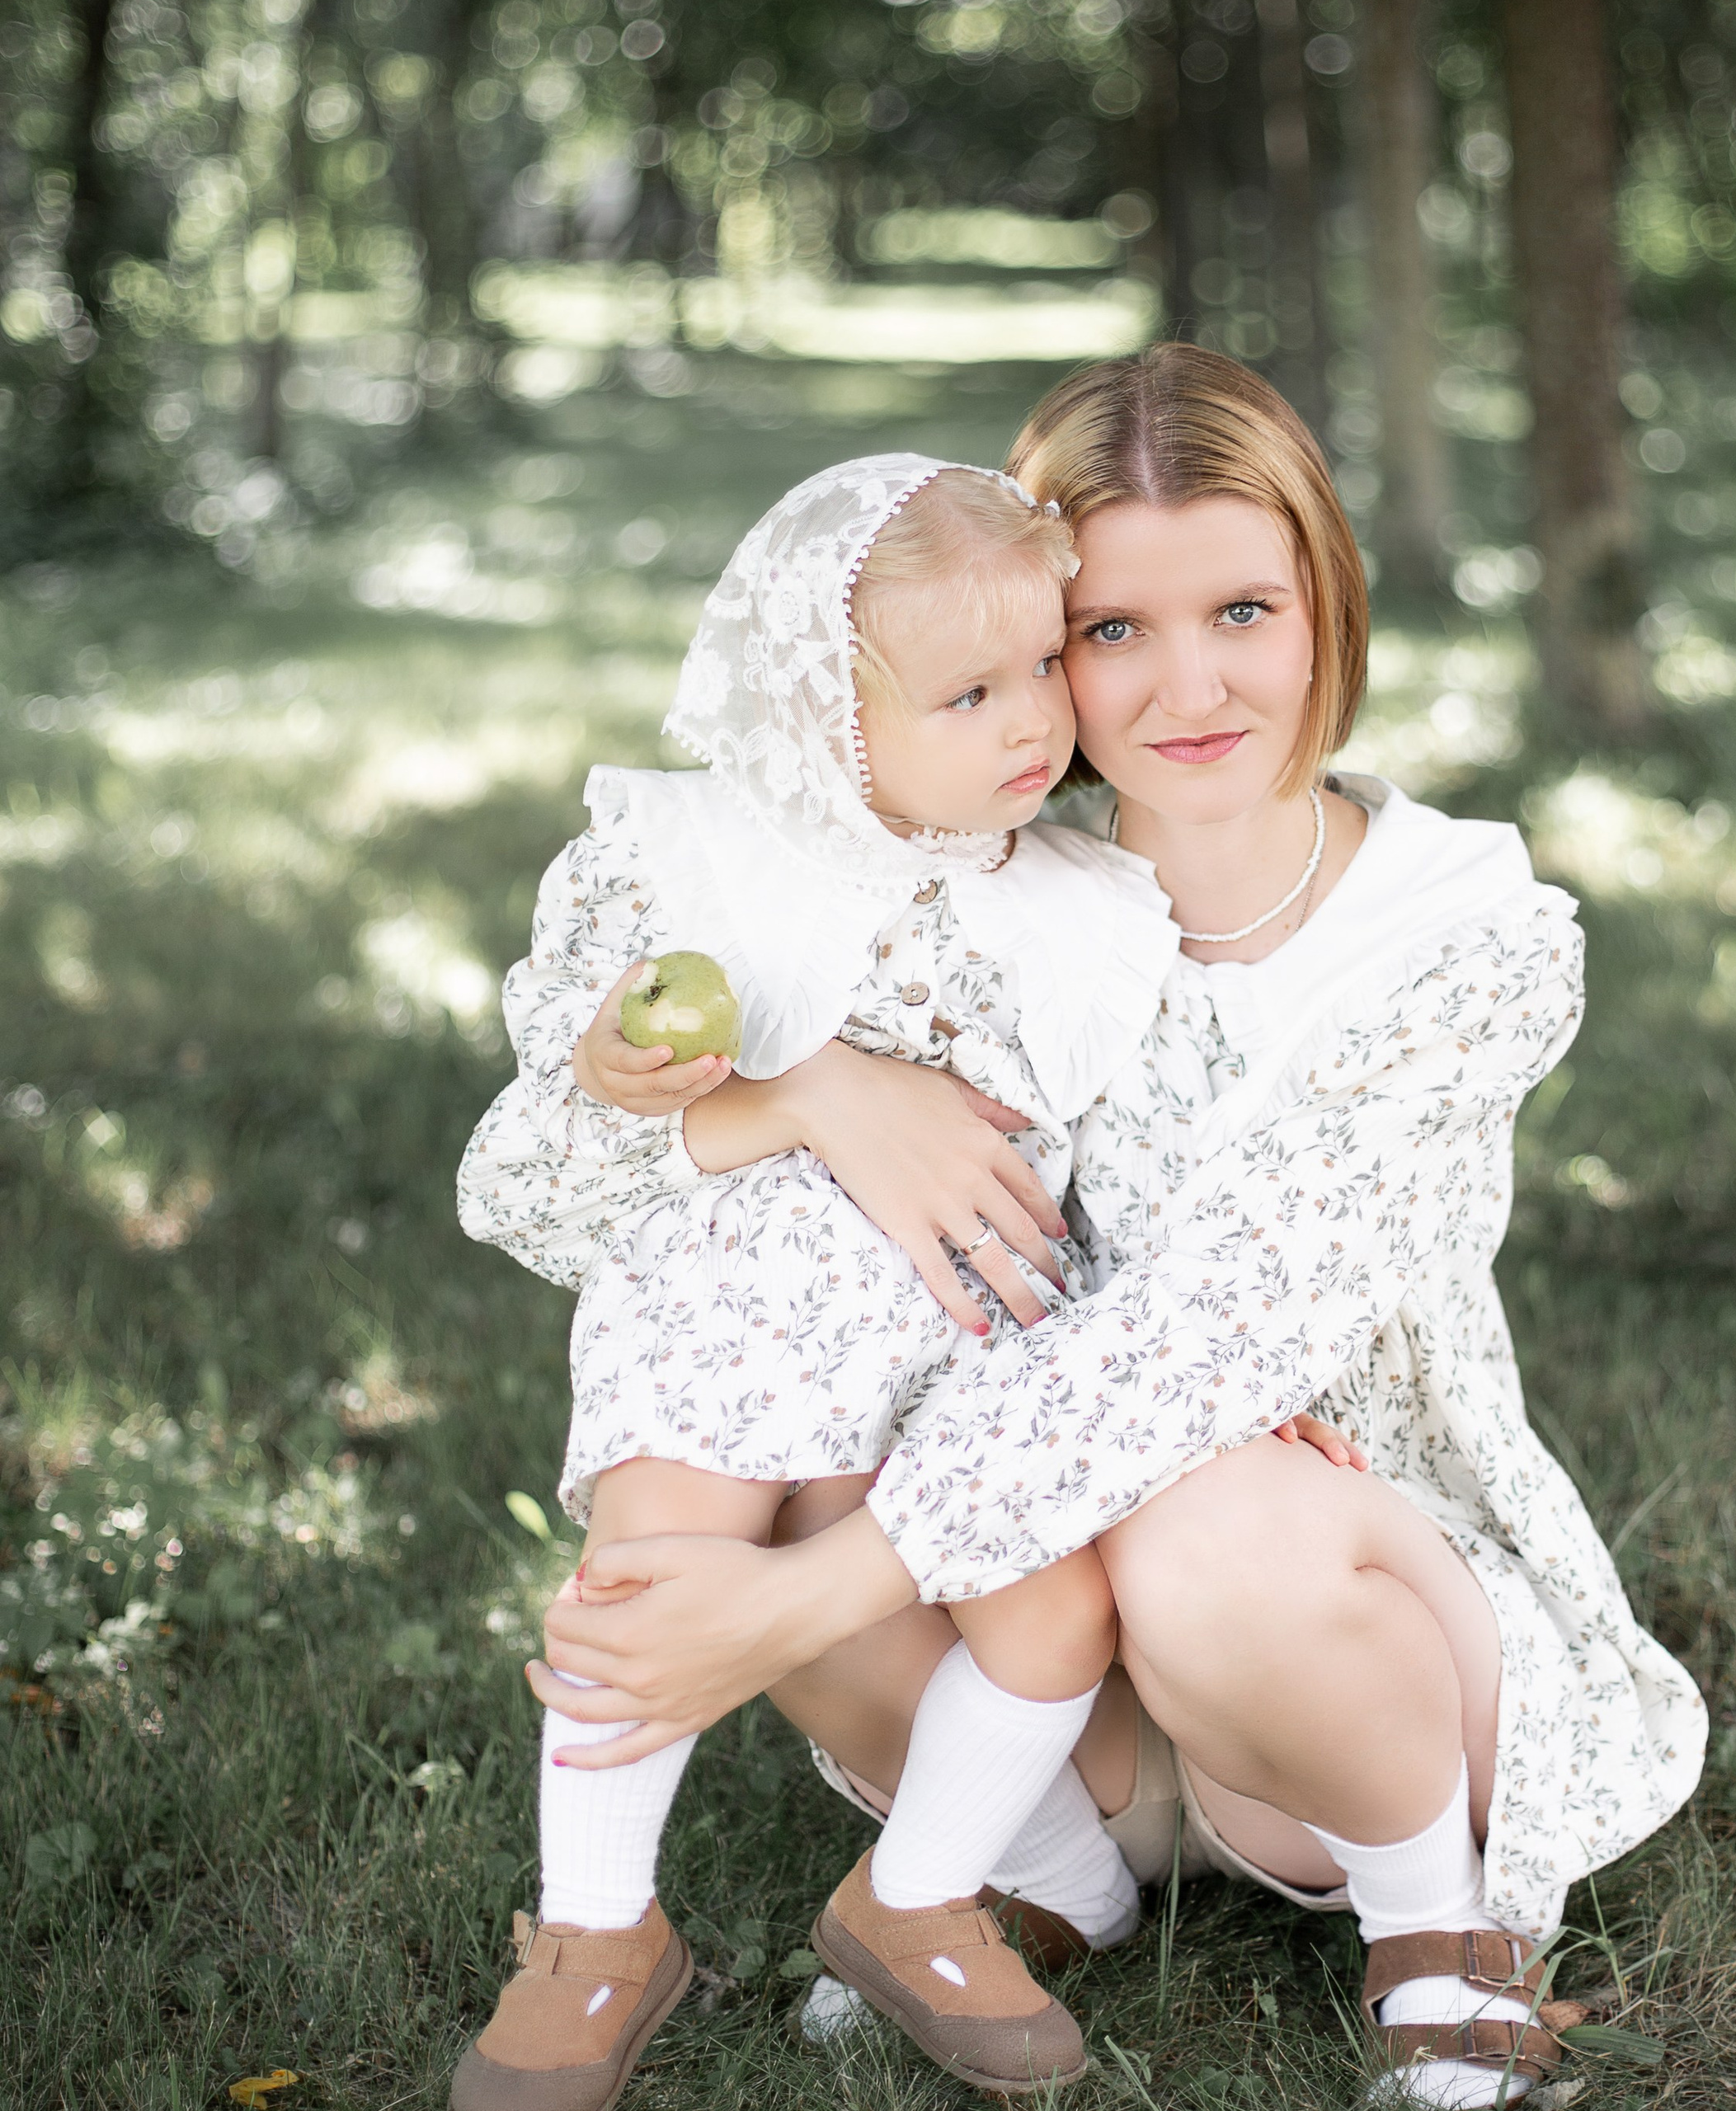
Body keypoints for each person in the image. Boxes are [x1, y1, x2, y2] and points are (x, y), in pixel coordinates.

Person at [515, 347, 1710, 2109]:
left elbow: (1211, 1335)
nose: (1186, 684)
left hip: (1326, 1640)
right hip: (1039, 1649)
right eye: (1112, 632)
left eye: (1240, 606)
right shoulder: (983, 881)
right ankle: (1022, 1883)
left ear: (1325, 600)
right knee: (778, 1405)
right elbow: (547, 1186)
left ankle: (1432, 1927)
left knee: (1205, 1512)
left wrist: (799, 1605)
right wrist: (812, 1092)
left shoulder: (1469, 936)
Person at [450, 455, 1207, 2109]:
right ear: (817, 708)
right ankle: (594, 1930)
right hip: (732, 1290)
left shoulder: (1087, 906)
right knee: (651, 1546)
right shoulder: (694, 859)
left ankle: (916, 1888)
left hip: (979, 1319)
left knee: (1048, 1598)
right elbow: (543, 1154)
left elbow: (1146, 1176)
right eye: (967, 691)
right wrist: (637, 1066)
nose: (1031, 722)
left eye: (1038, 668)